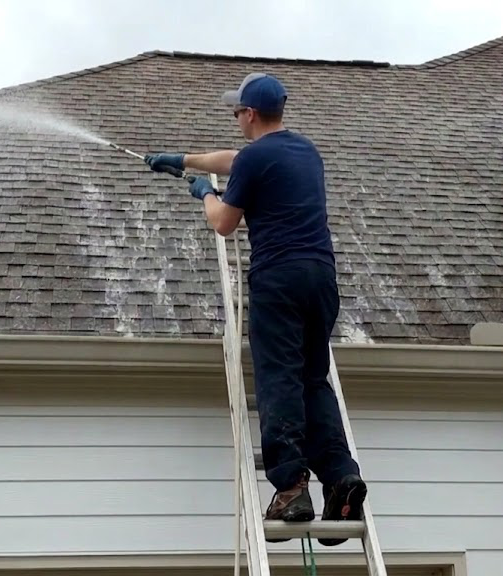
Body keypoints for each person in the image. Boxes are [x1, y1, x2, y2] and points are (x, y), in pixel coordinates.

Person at [144, 72, 366, 546]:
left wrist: (205, 193)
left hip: (278, 280)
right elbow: (235, 160)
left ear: (248, 114)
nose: (235, 118)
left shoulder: (255, 158)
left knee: (279, 377)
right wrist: (180, 160)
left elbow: (224, 223)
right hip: (320, 279)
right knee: (312, 379)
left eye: (236, 111)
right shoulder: (303, 150)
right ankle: (341, 478)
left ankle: (291, 487)